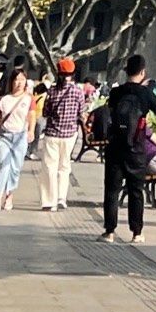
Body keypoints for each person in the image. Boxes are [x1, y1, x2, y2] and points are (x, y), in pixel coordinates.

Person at [99, 54, 156, 243]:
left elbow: (110, 112)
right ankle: (137, 232)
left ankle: (109, 231)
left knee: (112, 190)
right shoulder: (145, 93)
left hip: (116, 147)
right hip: (136, 148)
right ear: (143, 72)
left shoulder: (117, 92)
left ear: (126, 71)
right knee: (136, 191)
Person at [41, 58, 92, 210]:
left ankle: (49, 201)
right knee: (64, 167)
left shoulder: (52, 91)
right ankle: (61, 199)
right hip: (70, 134)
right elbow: (81, 112)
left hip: (52, 134)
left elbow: (45, 112)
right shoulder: (78, 92)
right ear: (73, 73)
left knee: (50, 167)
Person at [0, 64, 34, 210]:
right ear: (11, 81)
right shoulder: (3, 99)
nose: (19, 82)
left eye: (22, 79)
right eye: (16, 79)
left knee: (15, 167)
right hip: (4, 136)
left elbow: (31, 116)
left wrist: (31, 131)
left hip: (20, 136)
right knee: (2, 166)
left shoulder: (29, 99)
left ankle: (9, 196)